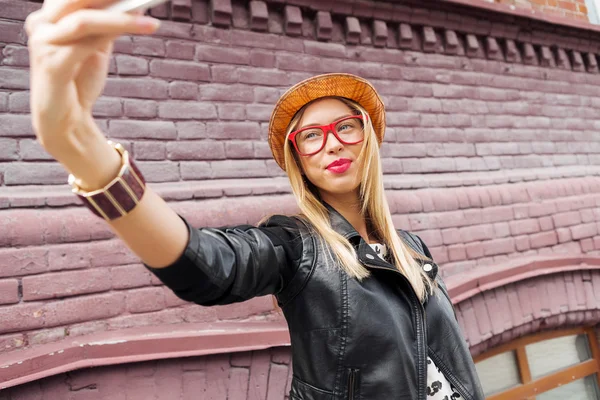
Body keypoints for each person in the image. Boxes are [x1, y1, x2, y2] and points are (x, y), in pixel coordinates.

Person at [25, 1, 485, 399]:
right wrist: (76, 142)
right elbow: (202, 264)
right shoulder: (295, 248)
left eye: (346, 127)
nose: (332, 143)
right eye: (310, 137)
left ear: (369, 139)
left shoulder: (415, 249)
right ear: (297, 161)